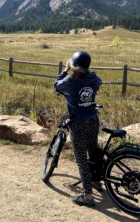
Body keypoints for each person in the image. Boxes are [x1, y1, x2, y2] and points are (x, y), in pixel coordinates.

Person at [54, 51, 102, 207]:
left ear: (73, 65)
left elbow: (57, 86)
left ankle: (88, 196)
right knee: (93, 150)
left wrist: (65, 70)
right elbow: (99, 83)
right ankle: (96, 180)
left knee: (81, 159)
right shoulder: (93, 78)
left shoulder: (70, 80)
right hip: (93, 120)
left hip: (78, 123)